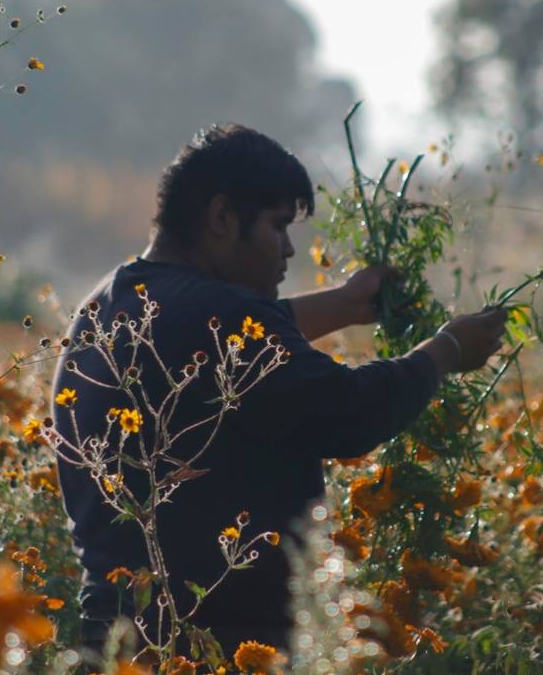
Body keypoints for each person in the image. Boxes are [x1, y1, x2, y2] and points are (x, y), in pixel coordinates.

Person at [49, 124, 506, 659]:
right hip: (211, 648)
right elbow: (350, 413)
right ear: (221, 218)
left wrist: (346, 305)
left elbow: (222, 350)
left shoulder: (113, 301)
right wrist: (446, 349)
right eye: (277, 226)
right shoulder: (214, 314)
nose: (289, 249)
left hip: (119, 642)